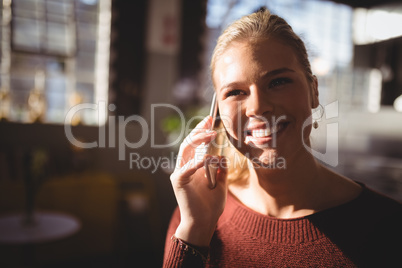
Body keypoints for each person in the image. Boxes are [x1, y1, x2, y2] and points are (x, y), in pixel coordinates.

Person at [163, 8, 402, 268]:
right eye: (235, 92)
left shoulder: (387, 226)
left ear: (313, 90)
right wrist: (196, 231)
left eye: (277, 82)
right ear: (218, 112)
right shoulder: (196, 214)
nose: (257, 107)